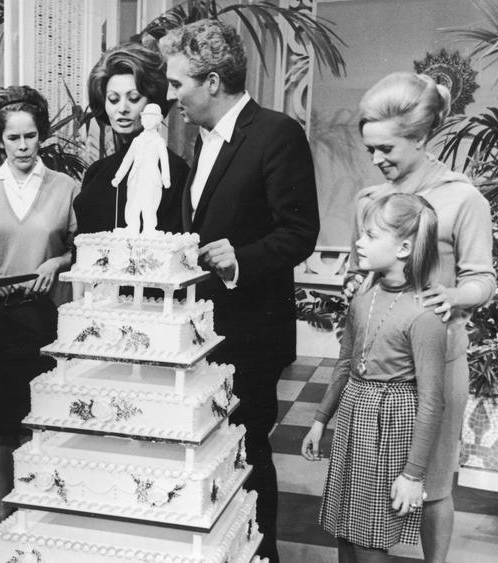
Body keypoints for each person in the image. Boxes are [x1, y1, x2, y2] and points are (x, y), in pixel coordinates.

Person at [160, 19, 321, 562]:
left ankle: (262, 554)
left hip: (251, 339)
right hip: (203, 338)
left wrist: (241, 260)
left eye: (176, 82)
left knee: (247, 454)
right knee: (210, 457)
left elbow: (300, 231)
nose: (169, 94)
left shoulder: (276, 132)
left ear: (210, 81)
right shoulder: (199, 143)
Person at [345, 71, 496, 563]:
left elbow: (484, 280)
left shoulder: (463, 197)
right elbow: (359, 269)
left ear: (421, 136)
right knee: (367, 479)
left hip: (437, 362)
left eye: (386, 148)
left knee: (432, 484)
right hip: (381, 369)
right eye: (370, 150)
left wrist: (455, 295)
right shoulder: (370, 201)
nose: (376, 160)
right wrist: (354, 284)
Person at [302, 193, 446, 562]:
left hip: (390, 424)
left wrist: (413, 475)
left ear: (403, 248)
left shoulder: (424, 315)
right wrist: (320, 421)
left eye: (370, 235)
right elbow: (344, 363)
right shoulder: (362, 299)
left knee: (369, 538)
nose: (358, 242)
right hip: (354, 416)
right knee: (344, 532)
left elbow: (432, 401)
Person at [0, 85, 79, 541]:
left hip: (49, 316)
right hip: (0, 315)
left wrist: (57, 261)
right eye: (13, 138)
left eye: (30, 136)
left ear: (42, 135)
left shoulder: (65, 186)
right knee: (7, 422)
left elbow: (82, 250)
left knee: (48, 416)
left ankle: (48, 506)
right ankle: (6, 504)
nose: (23, 147)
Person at [74, 42, 189, 235]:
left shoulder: (176, 171)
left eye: (134, 98)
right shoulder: (96, 172)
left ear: (153, 102)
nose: (122, 109)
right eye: (113, 99)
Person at [111, 103, 171, 233]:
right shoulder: (137, 140)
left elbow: (165, 161)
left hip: (151, 177)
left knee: (149, 203)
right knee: (133, 201)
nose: (147, 121)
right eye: (145, 118)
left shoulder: (159, 141)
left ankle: (149, 228)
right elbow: (127, 160)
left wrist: (166, 178)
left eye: (151, 118)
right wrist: (118, 176)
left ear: (158, 121)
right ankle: (132, 227)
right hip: (136, 176)